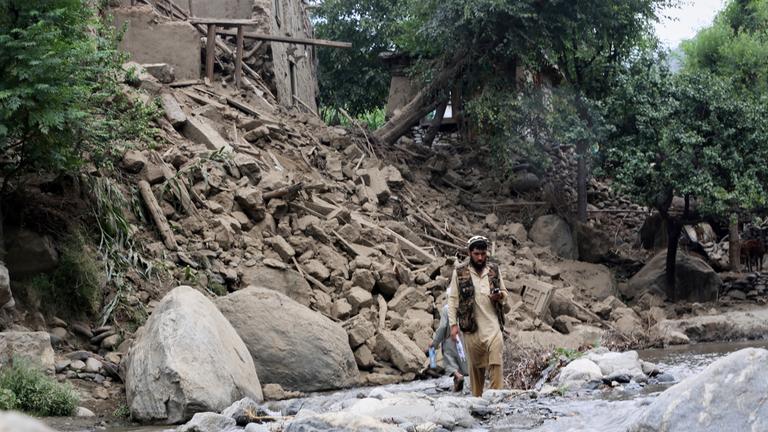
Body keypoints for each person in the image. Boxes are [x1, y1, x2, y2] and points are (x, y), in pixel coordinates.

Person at [447, 235, 510, 397]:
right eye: (476, 254)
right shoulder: (459, 273)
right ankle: (477, 400)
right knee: (476, 370)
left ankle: (496, 398)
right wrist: (453, 326)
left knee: (496, 361)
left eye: (483, 254)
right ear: (470, 253)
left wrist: (499, 296)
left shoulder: (494, 270)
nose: (480, 258)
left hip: (493, 327)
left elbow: (505, 293)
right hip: (472, 330)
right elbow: (453, 300)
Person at [430, 303, 469, 391]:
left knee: (451, 364)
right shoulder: (464, 306)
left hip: (450, 339)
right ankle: (459, 386)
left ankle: (458, 377)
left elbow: (443, 327)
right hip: (464, 339)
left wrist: (435, 343)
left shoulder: (446, 309)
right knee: (463, 363)